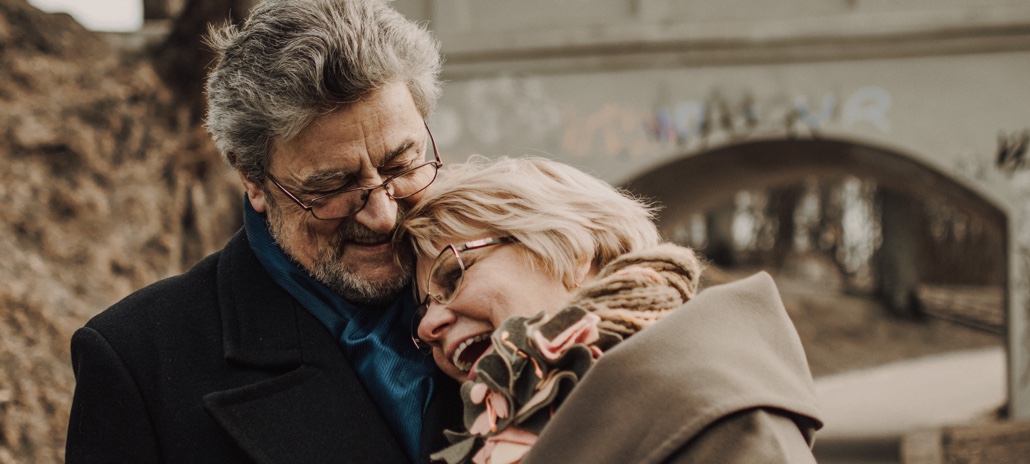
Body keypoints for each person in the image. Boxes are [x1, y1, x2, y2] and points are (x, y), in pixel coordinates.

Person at [65, 1, 463, 462]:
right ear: (253, 179)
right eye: (333, 186)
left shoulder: (516, 280)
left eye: (401, 164)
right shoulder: (139, 361)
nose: (383, 216)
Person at [396, 156, 824, 464]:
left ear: (573, 249)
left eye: (453, 275)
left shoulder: (719, 418)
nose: (431, 324)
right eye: (422, 312)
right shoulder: (497, 431)